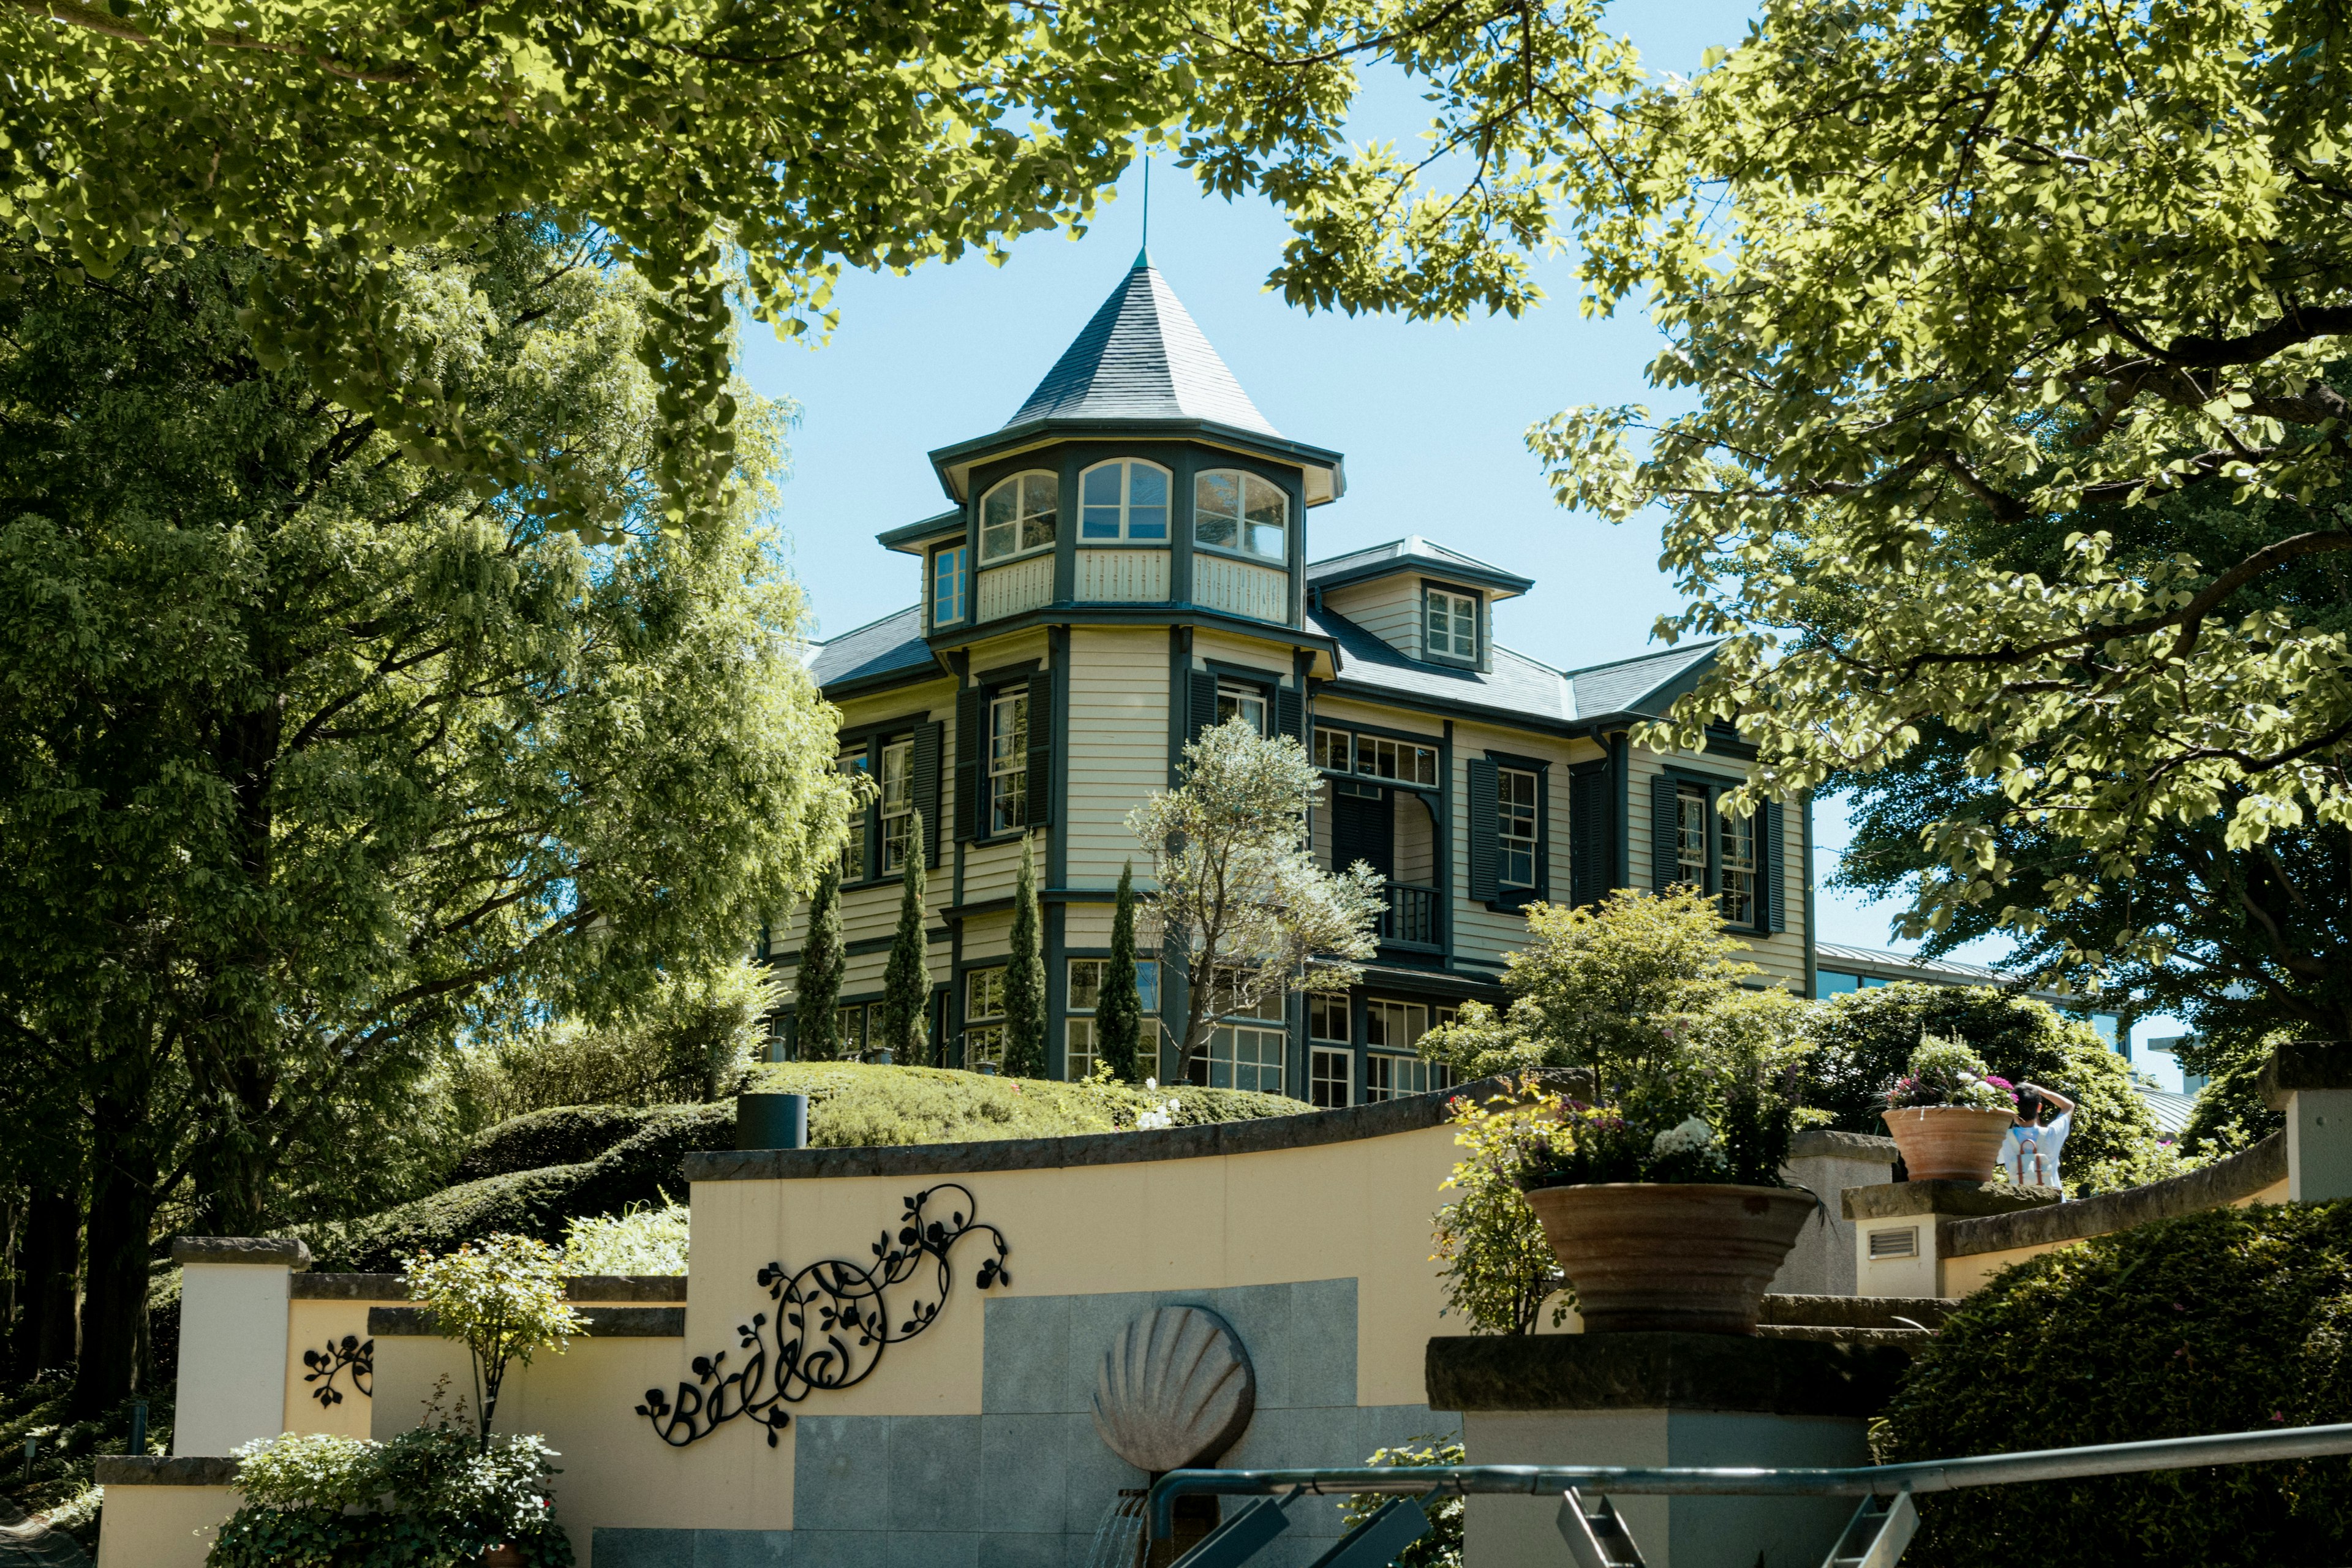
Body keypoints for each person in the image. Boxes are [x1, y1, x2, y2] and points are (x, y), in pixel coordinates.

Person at [2000, 1082, 2076, 1192]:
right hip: (2054, 1202)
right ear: (2039, 1107)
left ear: (2013, 1110)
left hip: (2019, 1201)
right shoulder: (2052, 1133)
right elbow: (2069, 1106)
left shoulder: (2004, 1137)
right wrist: (2040, 1090)